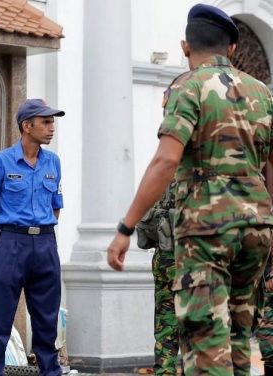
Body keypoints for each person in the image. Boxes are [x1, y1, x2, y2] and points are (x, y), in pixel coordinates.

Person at [107, 4, 273, 375]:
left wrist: (125, 228)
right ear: (231, 49)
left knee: (205, 345)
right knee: (237, 340)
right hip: (257, 232)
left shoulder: (188, 86)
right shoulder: (261, 92)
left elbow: (166, 161)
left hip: (208, 230)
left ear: (185, 47)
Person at [0, 98, 65, 376]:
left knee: (47, 322)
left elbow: (55, 206)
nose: (52, 128)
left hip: (46, 244)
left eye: (53, 121)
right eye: (46, 122)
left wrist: (41, 234)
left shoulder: (54, 162)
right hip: (11, 243)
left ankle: (50, 372)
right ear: (27, 126)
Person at [136, 186, 180, 375]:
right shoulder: (204, 180)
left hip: (166, 265)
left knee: (166, 333)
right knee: (198, 332)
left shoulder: (164, 179)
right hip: (195, 268)